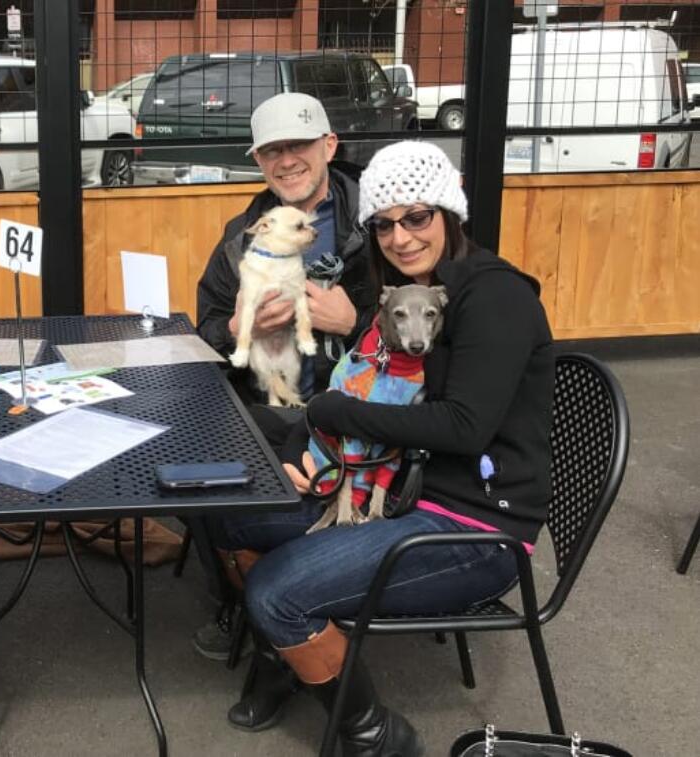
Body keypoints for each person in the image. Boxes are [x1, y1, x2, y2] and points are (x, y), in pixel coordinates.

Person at [207, 140, 555, 754]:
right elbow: (370, 395)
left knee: (275, 592)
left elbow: (462, 428)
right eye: (384, 224)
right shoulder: (404, 289)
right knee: (230, 513)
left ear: (449, 213)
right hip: (392, 479)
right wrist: (305, 446)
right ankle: (287, 652)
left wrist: (336, 411)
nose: (400, 237)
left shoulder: (495, 297)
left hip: (470, 524)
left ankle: (374, 734)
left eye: (416, 217)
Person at [190, 92, 376, 673]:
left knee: (249, 498)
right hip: (270, 407)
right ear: (259, 161)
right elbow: (206, 328)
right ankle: (248, 600)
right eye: (272, 150)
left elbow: (433, 326)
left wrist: (354, 322)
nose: (286, 160)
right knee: (191, 479)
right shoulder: (240, 234)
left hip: (360, 418)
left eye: (297, 145)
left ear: (329, 146)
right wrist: (237, 325)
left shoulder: (382, 224)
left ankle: (290, 606)